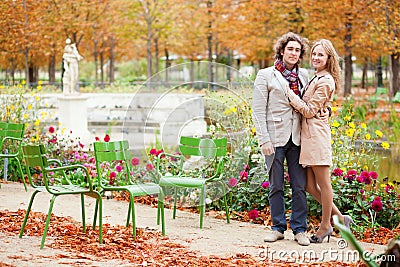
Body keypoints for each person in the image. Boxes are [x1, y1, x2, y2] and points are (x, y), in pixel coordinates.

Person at [285, 39, 352, 243]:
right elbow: (317, 106)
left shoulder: (325, 80)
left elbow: (309, 110)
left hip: (317, 137)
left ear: (329, 58)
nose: (316, 57)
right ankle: (340, 219)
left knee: (323, 183)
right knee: (308, 185)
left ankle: (326, 226)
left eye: (320, 55)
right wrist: (327, 108)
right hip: (309, 136)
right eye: (314, 54)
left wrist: (290, 96)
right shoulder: (316, 77)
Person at [252, 32, 311, 246]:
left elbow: (311, 103)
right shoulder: (265, 75)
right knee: (276, 185)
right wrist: (263, 139)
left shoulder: (304, 75)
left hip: (298, 137)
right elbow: (258, 111)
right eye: (290, 49)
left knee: (299, 186)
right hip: (274, 138)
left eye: (297, 50)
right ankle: (277, 228)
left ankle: (300, 229)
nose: (294, 53)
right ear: (282, 50)